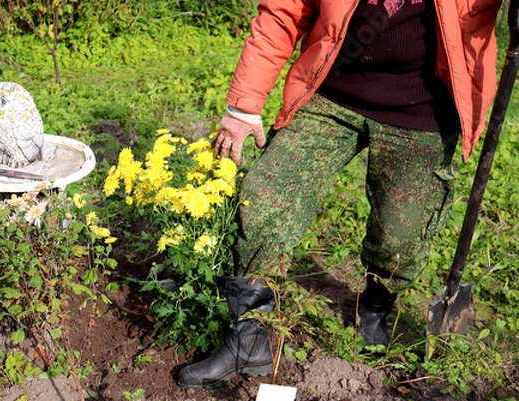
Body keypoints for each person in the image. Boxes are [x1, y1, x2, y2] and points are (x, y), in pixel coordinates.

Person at [176, 0, 502, 389]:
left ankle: (377, 304)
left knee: (401, 237)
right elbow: (283, 11)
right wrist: (244, 105)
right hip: (330, 89)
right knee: (264, 200)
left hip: (424, 110)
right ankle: (250, 337)